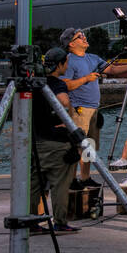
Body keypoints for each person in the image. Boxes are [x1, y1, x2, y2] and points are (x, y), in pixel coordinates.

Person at [59, 27, 127, 187]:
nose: (84, 37)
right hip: (79, 109)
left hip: (94, 110)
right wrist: (86, 78)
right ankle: (71, 180)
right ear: (71, 44)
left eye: (83, 35)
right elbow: (65, 85)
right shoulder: (69, 61)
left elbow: (111, 70)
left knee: (89, 146)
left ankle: (85, 178)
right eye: (80, 36)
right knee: (77, 146)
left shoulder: (92, 57)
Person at [29, 48, 80, 233]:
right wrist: (65, 121)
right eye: (66, 62)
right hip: (56, 142)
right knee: (60, 184)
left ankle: (31, 221)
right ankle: (60, 220)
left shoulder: (33, 85)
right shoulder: (56, 84)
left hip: (36, 140)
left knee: (35, 184)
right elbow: (64, 102)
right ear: (60, 64)